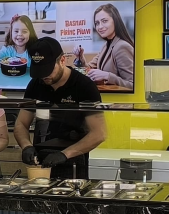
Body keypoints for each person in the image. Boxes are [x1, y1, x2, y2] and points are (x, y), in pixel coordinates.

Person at [14, 37, 106, 180]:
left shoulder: (84, 86)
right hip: (41, 161)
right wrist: (26, 146)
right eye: (40, 71)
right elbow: (21, 123)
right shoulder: (35, 85)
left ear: (62, 60)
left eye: (48, 70)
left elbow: (99, 133)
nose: (44, 76)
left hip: (74, 162)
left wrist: (64, 154)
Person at [85, 3, 135, 90]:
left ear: (115, 21)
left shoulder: (122, 46)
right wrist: (81, 58)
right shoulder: (107, 45)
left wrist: (107, 76)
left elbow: (133, 85)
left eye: (104, 21)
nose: (100, 27)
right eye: (97, 23)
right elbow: (90, 68)